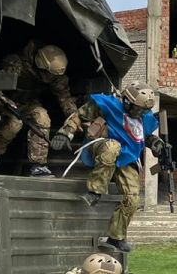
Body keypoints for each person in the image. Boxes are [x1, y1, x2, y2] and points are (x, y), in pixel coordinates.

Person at [50, 85, 163, 253]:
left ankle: (116, 237)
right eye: (138, 109)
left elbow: (143, 135)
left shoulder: (144, 116)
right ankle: (94, 190)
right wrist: (65, 132)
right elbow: (79, 116)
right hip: (101, 147)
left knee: (132, 199)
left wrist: (155, 142)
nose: (140, 113)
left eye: (144, 111)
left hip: (126, 159)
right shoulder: (108, 104)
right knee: (113, 146)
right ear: (127, 101)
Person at [0, 41, 77, 177]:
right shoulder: (15, 64)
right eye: (50, 75)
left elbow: (64, 98)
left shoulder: (54, 75)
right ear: (41, 65)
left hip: (28, 103)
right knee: (14, 124)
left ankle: (38, 165)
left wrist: (73, 116)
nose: (52, 78)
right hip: (5, 101)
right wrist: (6, 102)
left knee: (43, 118)